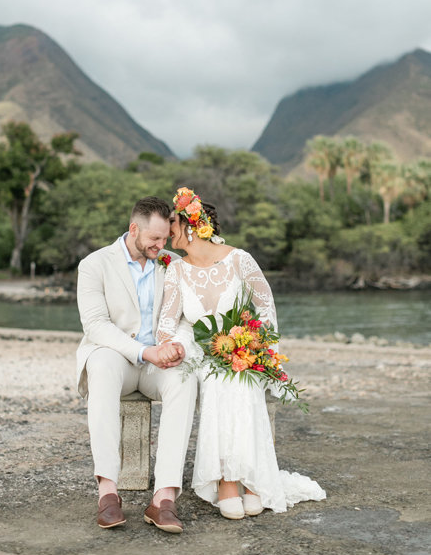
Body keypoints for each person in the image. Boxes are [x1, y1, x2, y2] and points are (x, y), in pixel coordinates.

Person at [156, 187, 326, 519]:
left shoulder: (239, 259)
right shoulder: (176, 270)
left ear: (190, 225)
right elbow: (166, 321)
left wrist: (262, 349)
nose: (167, 233)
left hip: (244, 347)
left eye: (172, 225)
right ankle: (228, 482)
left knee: (241, 377)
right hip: (202, 355)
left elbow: (266, 307)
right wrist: (174, 346)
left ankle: (252, 482)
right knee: (220, 379)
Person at [76, 196, 197, 533]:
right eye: (154, 239)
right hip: (118, 357)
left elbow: (187, 319)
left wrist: (177, 347)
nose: (162, 245)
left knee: (186, 378)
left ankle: (164, 498)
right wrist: (145, 352)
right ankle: (108, 493)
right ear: (134, 229)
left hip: (160, 362)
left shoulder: (174, 263)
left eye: (165, 238)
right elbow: (96, 325)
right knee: (99, 365)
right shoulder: (94, 264)